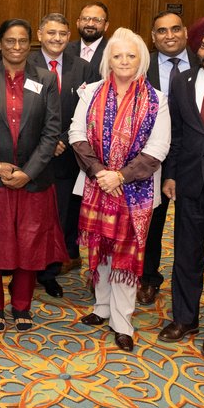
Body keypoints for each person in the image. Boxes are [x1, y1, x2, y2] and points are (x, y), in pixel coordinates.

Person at [70, 28, 170, 352]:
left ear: (141, 60)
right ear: (108, 60)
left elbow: (158, 149)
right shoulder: (90, 92)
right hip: (97, 185)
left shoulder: (157, 100)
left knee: (126, 256)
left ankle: (122, 321)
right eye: (117, 55)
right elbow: (76, 133)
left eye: (130, 55)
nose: (124, 61)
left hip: (135, 191)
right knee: (100, 249)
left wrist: (120, 177)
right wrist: (101, 173)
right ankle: (101, 308)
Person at [0, 18, 66, 333]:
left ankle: (22, 304)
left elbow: (51, 132)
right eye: (10, 40)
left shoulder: (46, 79)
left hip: (33, 180)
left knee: (30, 243)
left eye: (23, 40)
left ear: (30, 44)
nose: (17, 46)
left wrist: (29, 172)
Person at [29, 14, 97, 298]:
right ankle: (27, 268)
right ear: (40, 34)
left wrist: (64, 139)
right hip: (33, 154)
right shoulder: (26, 62)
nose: (57, 38)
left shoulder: (82, 67)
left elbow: (89, 109)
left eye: (62, 34)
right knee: (33, 216)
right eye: (51, 33)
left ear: (69, 36)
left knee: (61, 215)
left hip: (68, 155)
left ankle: (50, 272)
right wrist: (47, 141)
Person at [137, 10, 197, 306]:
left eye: (175, 29)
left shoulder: (202, 63)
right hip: (152, 156)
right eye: (162, 31)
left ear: (185, 32)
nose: (169, 35)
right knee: (152, 222)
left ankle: (187, 288)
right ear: (153, 36)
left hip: (193, 158)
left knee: (192, 228)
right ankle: (148, 278)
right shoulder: (141, 66)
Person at [157, 18, 204, 356]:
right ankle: (185, 318)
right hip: (190, 183)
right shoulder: (183, 81)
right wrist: (171, 175)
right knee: (186, 255)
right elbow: (175, 133)